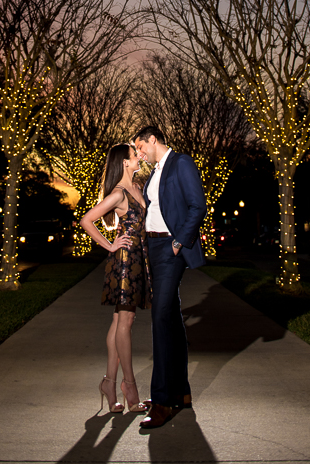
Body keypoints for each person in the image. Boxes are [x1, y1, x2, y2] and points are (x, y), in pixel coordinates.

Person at [133, 125, 207, 430]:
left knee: (160, 318)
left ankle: (161, 401)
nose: (139, 153)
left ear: (153, 140)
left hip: (170, 247)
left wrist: (179, 241)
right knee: (172, 320)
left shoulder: (182, 163)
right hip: (154, 246)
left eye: (140, 147)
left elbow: (198, 205)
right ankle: (180, 392)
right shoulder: (155, 173)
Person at [80, 143, 151, 414]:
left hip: (138, 261)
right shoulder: (119, 193)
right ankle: (129, 386)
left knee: (119, 321)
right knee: (126, 321)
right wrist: (109, 245)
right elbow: (87, 220)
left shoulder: (137, 186)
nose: (138, 158)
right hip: (124, 263)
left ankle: (109, 384)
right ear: (124, 162)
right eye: (134, 155)